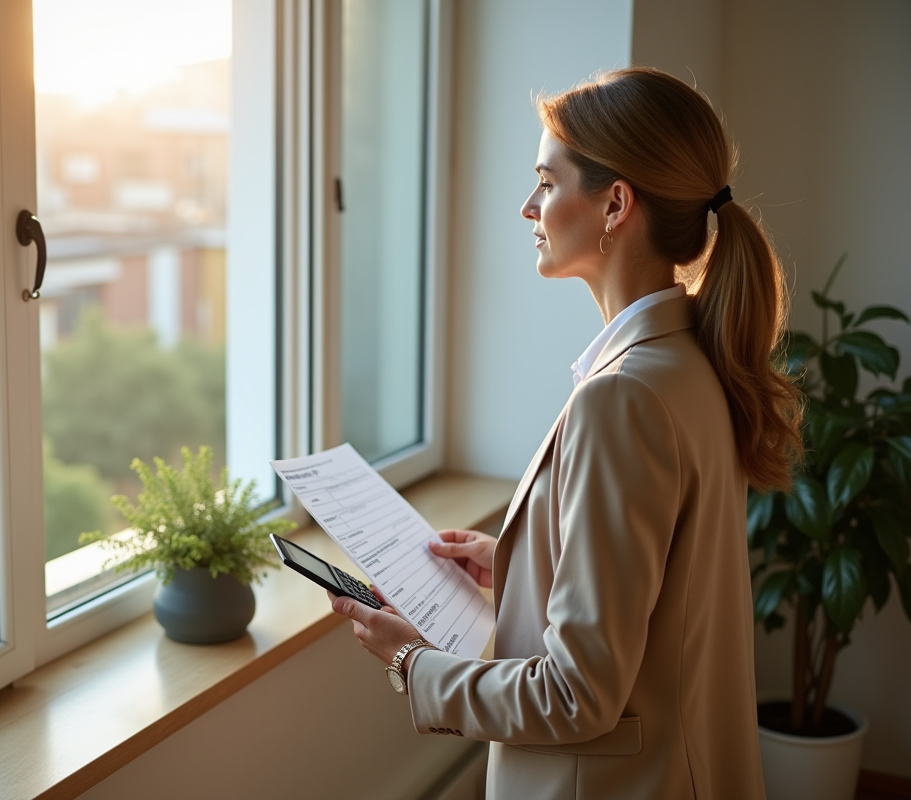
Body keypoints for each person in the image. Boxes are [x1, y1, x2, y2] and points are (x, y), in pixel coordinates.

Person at [329, 67, 802, 799]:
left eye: (546, 182)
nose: (528, 207)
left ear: (615, 204)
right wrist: (522, 560)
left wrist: (411, 664)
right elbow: (664, 596)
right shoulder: (690, 362)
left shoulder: (623, 398)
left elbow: (578, 694)